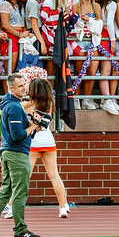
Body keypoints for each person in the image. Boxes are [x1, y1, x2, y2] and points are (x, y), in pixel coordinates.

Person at [0, 73, 41, 237]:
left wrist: (30, 125)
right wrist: (33, 126)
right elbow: (17, 135)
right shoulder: (14, 107)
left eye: (24, 84)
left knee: (5, 190)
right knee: (20, 192)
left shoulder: (9, 104)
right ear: (11, 88)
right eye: (20, 86)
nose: (24, 88)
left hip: (7, 152)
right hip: (16, 154)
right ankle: (20, 229)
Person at [24, 77, 69, 218]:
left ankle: (12, 206)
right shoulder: (50, 103)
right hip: (48, 141)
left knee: (25, 176)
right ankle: (63, 206)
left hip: (32, 142)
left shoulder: (26, 104)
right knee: (55, 175)